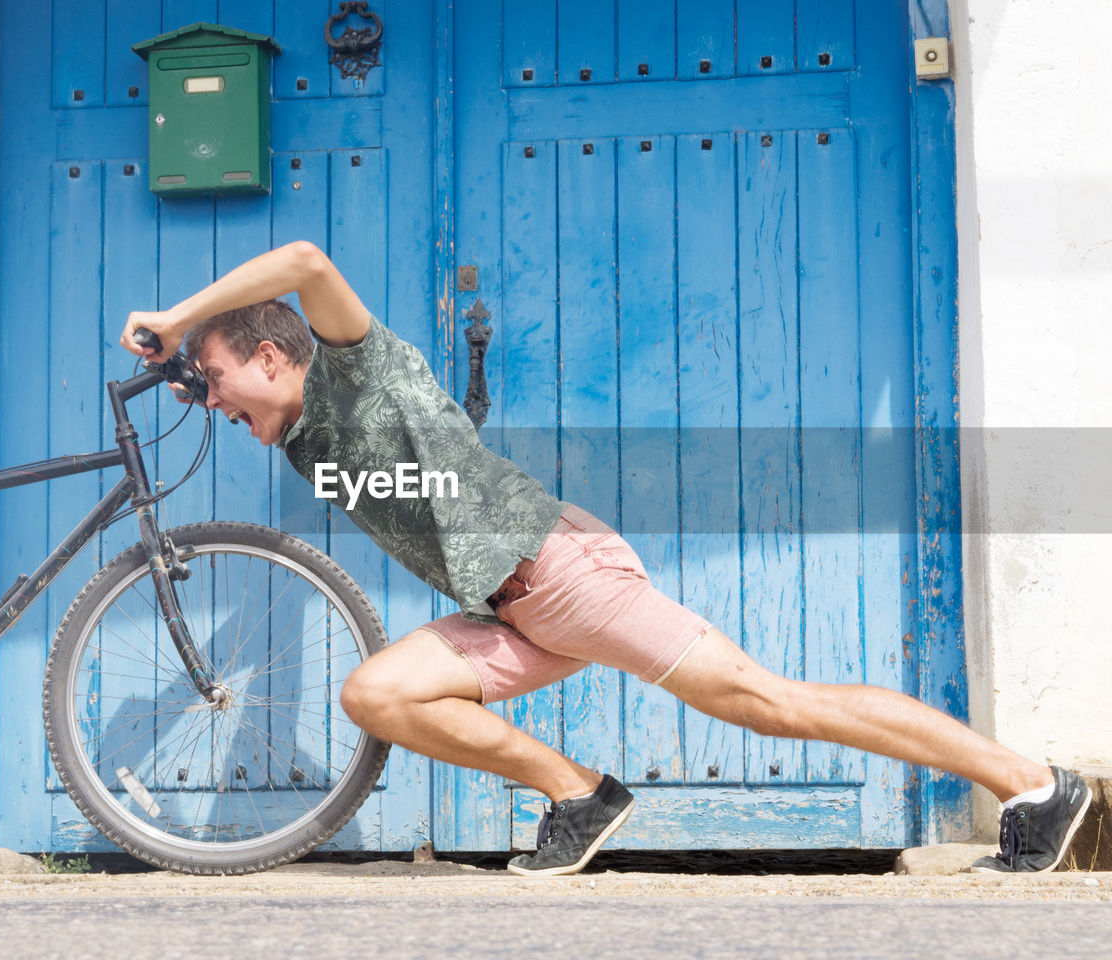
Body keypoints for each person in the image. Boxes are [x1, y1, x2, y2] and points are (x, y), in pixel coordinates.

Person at [121, 240, 1090, 877]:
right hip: (509, 612)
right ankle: (577, 798)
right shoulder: (297, 434)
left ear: (272, 353)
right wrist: (185, 369)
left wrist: (177, 315)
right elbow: (244, 399)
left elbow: (299, 259)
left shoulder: (355, 365)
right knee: (380, 693)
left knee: (767, 702)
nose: (210, 402)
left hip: (561, 576)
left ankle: (1029, 785)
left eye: (215, 379)